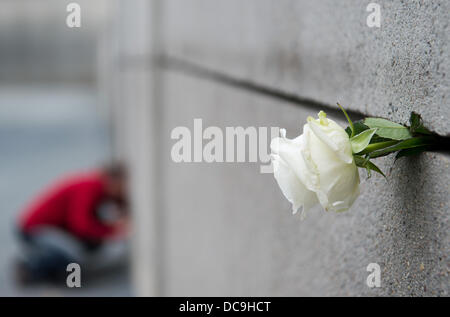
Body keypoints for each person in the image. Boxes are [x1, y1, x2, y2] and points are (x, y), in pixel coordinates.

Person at [15, 163, 129, 284]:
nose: (123, 189)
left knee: (85, 246)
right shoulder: (91, 187)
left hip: (50, 227)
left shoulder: (97, 186)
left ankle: (54, 270)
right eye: (122, 185)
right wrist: (111, 232)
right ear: (113, 181)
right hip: (35, 229)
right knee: (73, 255)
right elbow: (80, 225)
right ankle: (31, 269)